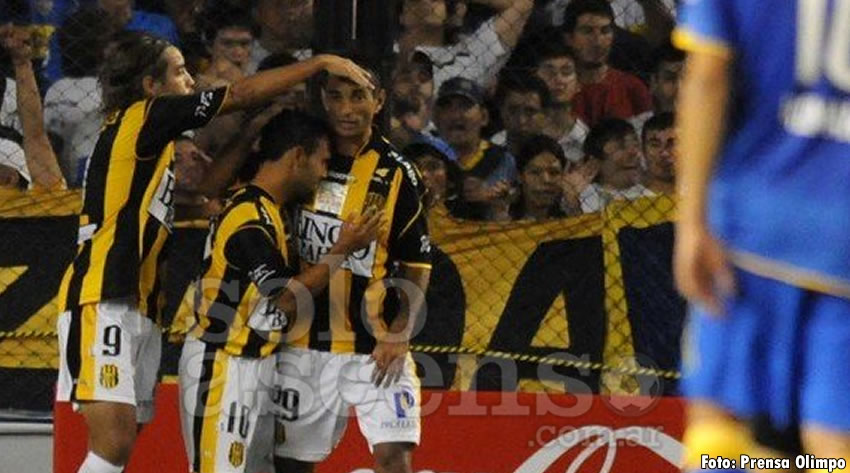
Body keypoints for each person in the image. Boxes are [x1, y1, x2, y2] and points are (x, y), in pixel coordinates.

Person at [54, 29, 372, 473]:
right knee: (114, 444)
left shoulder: (149, 148)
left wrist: (248, 133)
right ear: (151, 86)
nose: (191, 81)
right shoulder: (143, 117)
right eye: (180, 72)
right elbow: (237, 94)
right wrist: (318, 64)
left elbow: (201, 194)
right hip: (102, 295)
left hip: (140, 304)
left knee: (127, 437)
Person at [674, 0, 850, 472]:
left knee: (719, 421)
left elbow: (707, 75)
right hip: (842, 240)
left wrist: (691, 221)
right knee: (832, 441)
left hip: (752, 225)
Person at [179, 109, 381, 473]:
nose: (323, 173)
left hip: (257, 364)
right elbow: (285, 297)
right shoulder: (248, 219)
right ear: (298, 156)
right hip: (222, 364)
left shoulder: (270, 210)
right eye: (322, 162)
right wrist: (343, 249)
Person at [274, 63, 432, 473]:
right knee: (290, 465)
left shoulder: (398, 173)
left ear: (379, 102)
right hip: (302, 345)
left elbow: (417, 263)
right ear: (323, 100)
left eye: (358, 96)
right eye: (336, 96)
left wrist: (399, 332)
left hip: (374, 346)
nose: (347, 109)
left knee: (394, 458)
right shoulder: (302, 158)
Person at [562, 0, 652, 127]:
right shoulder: (558, 89)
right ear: (569, 38)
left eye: (605, 31)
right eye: (587, 31)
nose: (598, 41)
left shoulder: (632, 88)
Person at [0, 23, 64, 190]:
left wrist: (21, 63)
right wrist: (22, 63)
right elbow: (35, 135)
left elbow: (35, 135)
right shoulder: (48, 194)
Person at [578, 118, 652, 213]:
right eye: (621, 147)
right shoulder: (581, 197)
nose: (634, 152)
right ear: (595, 162)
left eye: (636, 145)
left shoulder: (651, 198)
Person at [509, 134, 568, 221]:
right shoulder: (503, 217)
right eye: (535, 172)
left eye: (554, 173)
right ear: (520, 176)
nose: (546, 180)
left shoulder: (572, 217)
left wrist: (574, 205)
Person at [640, 112, 674, 196]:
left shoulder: (703, 195)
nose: (664, 153)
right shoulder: (627, 200)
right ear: (643, 150)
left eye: (672, 144)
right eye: (655, 145)